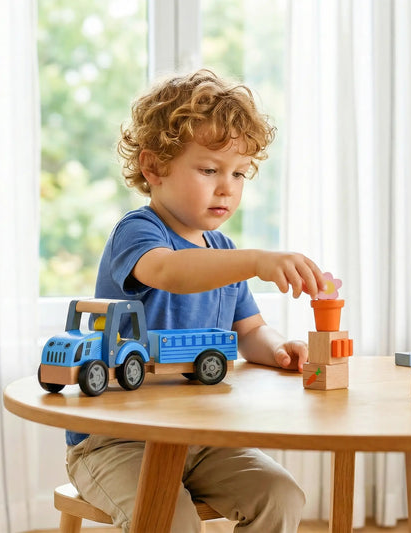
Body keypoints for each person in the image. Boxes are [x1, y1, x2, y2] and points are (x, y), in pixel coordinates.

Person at [66, 69, 326, 533]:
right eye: (209, 169)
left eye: (239, 173)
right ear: (153, 167)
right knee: (171, 520)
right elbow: (170, 272)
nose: (227, 186)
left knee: (281, 495)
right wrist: (257, 261)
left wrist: (279, 348)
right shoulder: (140, 232)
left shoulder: (223, 252)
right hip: (117, 442)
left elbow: (249, 331)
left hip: (203, 439)